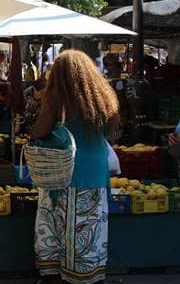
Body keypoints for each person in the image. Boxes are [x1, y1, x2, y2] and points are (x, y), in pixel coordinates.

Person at [31, 50, 119, 284]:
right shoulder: (101, 97)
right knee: (90, 224)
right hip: (96, 170)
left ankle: (59, 273)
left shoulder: (57, 97)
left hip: (66, 171)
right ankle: (87, 272)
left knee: (61, 224)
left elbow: (40, 131)